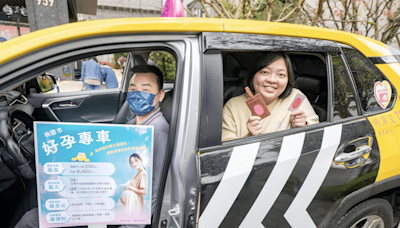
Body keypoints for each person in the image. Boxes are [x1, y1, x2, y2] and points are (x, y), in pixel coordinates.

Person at [14, 65, 169, 228]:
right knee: (37, 188)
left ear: (160, 95)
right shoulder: (136, 122)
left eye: (145, 89)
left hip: (112, 209)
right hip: (104, 192)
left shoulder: (157, 132)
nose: (137, 94)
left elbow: (151, 194)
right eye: (133, 88)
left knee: (29, 220)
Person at [222, 52, 319, 142]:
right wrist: (249, 136)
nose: (272, 80)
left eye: (281, 74)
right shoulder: (232, 106)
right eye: (265, 72)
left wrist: (303, 125)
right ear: (253, 75)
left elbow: (317, 137)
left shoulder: (296, 98)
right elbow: (225, 153)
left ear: (288, 79)